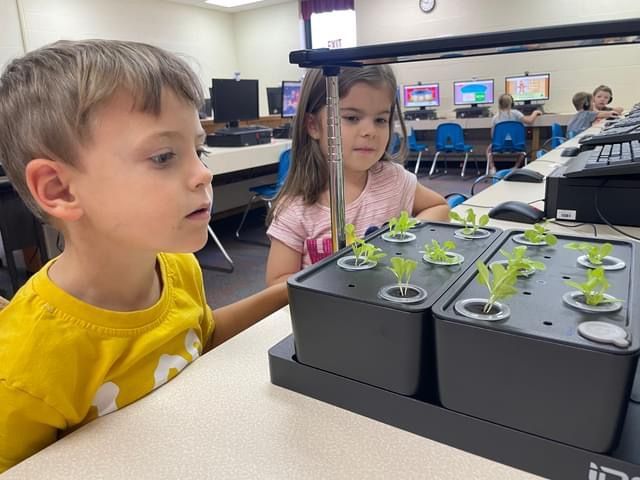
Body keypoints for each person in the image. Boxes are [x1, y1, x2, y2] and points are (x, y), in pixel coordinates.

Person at [0, 39, 288, 472]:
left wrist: (290, 291)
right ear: (59, 189)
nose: (203, 173)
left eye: (199, 149)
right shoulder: (25, 365)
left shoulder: (175, 266)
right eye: (163, 156)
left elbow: (200, 338)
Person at [264, 66, 450, 286]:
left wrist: (402, 240)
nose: (369, 131)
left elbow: (440, 208)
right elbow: (276, 282)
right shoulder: (297, 208)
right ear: (313, 126)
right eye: (352, 117)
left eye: (380, 120)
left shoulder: (394, 180)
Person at [486, 93, 542, 175]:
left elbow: (492, 136)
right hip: (516, 145)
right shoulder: (516, 113)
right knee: (523, 149)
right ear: (511, 103)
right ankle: (516, 167)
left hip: (500, 146)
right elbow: (530, 121)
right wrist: (535, 112)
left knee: (488, 150)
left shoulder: (495, 117)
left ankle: (492, 168)